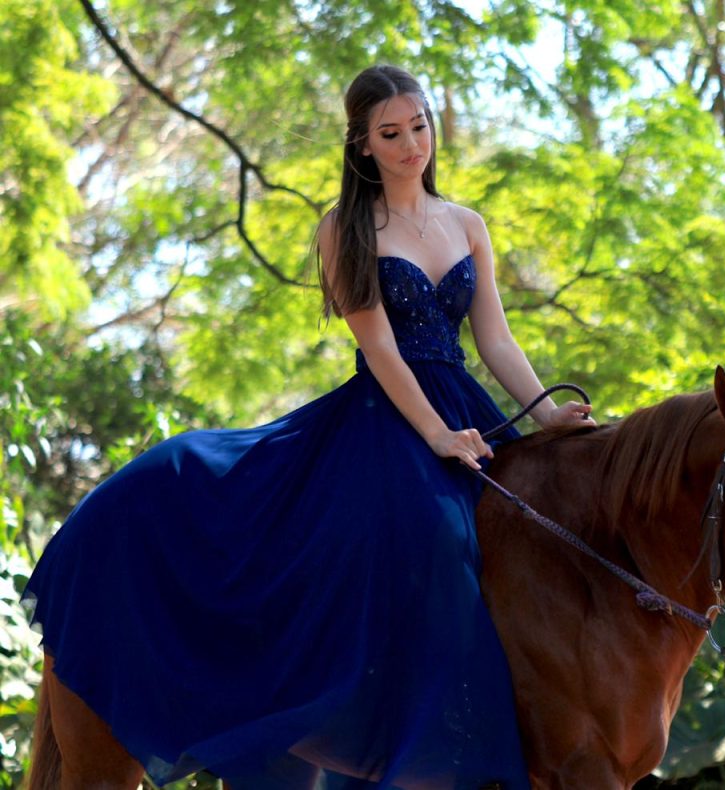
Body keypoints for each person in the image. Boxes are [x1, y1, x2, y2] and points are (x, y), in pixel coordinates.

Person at [22, 64, 594, 789]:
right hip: (390, 414)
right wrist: (435, 436)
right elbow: (380, 348)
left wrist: (547, 414)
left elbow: (496, 341)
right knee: (435, 534)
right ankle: (408, 742)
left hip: (464, 405)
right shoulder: (345, 227)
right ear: (362, 146)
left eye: (419, 126)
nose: (412, 144)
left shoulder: (467, 224)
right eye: (391, 134)